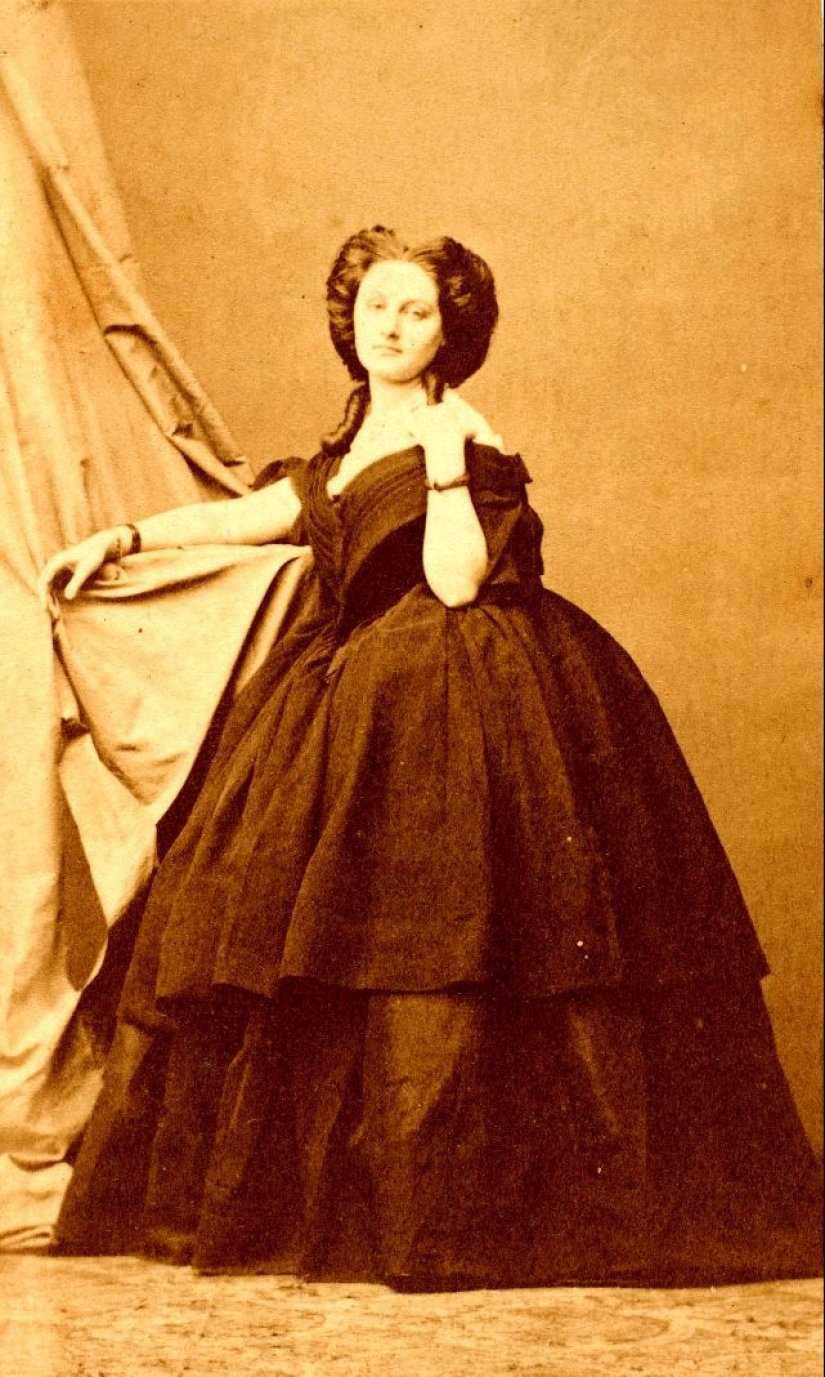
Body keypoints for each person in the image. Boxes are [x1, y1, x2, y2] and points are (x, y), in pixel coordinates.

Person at [42, 227, 821, 1289]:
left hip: (462, 694)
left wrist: (449, 470)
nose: (392, 327)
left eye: (416, 312)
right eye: (377, 307)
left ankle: (458, 1212)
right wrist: (126, 538)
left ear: (449, 331)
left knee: (457, 932)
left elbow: (456, 582)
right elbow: (259, 518)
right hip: (344, 694)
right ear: (350, 322)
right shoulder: (346, 445)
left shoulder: (467, 433)